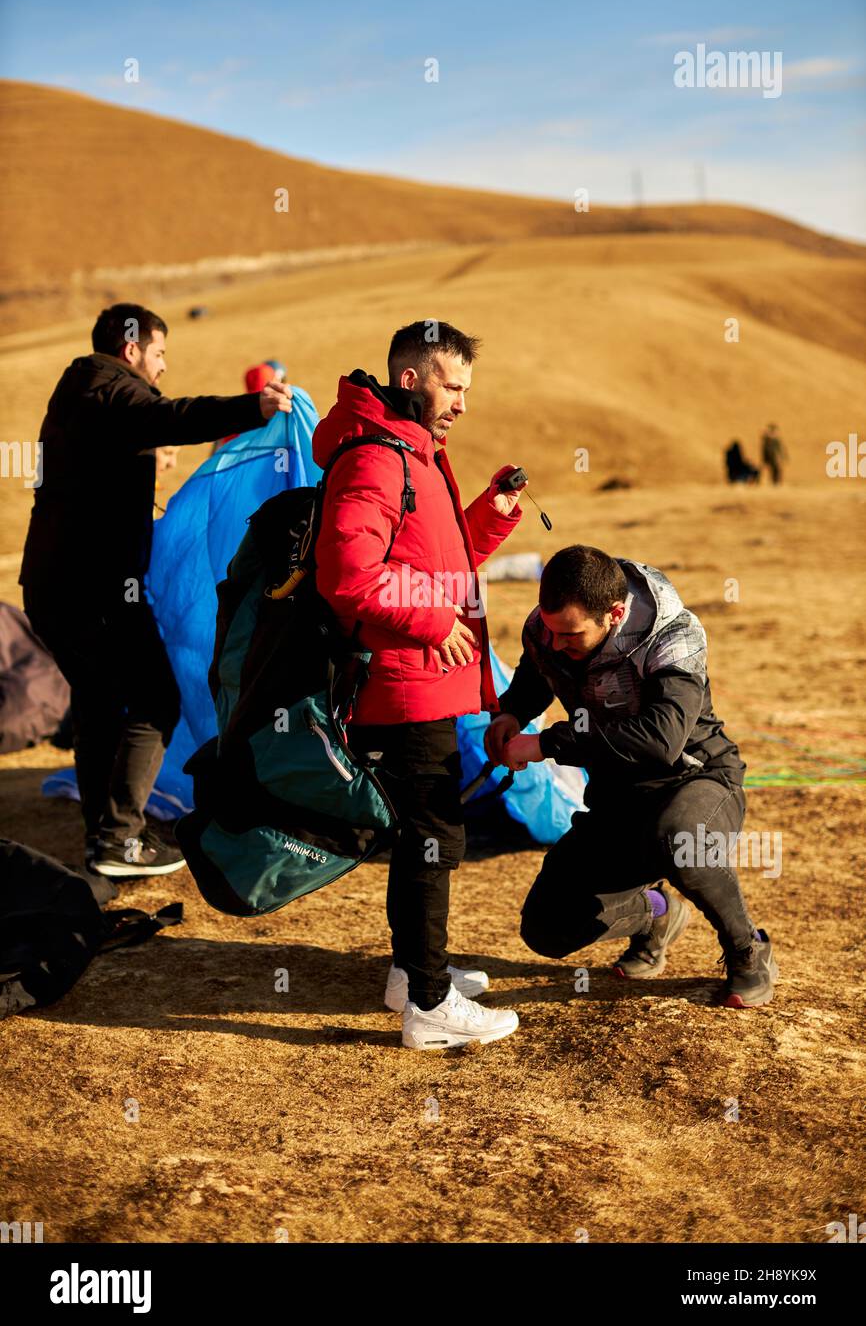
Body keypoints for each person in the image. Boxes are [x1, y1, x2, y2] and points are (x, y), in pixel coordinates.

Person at [19, 303, 293, 877]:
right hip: (92, 591)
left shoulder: (86, 396)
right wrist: (255, 407)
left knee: (96, 708)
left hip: (57, 587)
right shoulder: (102, 388)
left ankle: (105, 840)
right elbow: (167, 415)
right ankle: (121, 836)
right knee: (152, 699)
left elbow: (128, 441)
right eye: (161, 352)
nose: (164, 366)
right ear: (131, 348)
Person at [312, 321, 525, 1049]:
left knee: (421, 837)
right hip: (402, 683)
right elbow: (347, 577)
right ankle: (430, 1006)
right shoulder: (376, 458)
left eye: (468, 387)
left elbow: (428, 558)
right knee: (434, 836)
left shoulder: (415, 453)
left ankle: (411, 973)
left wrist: (487, 523)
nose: (463, 401)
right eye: (452, 384)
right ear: (411, 379)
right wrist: (435, 623)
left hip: (420, 678)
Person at [485, 545, 779, 1008]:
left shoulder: (673, 636)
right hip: (617, 798)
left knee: (679, 838)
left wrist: (546, 744)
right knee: (546, 927)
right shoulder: (550, 628)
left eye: (571, 634)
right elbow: (539, 671)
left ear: (615, 614)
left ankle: (748, 949)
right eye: (550, 630)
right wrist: (512, 714)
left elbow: (661, 742)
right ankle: (656, 915)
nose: (557, 642)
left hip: (696, 782)